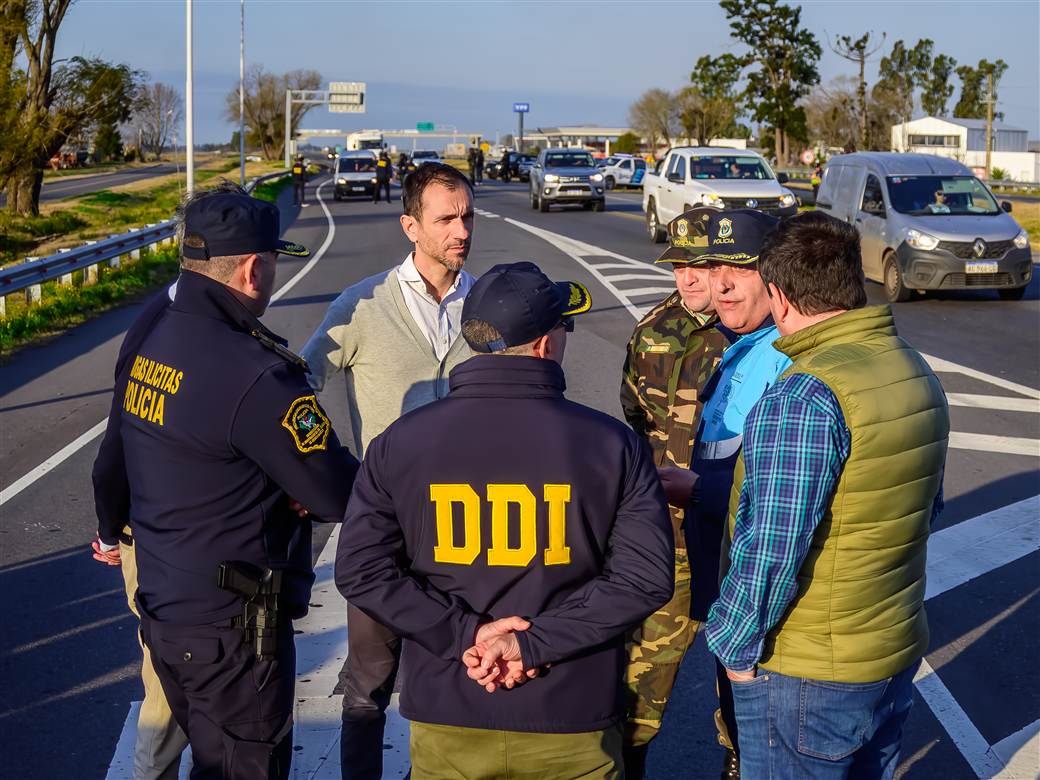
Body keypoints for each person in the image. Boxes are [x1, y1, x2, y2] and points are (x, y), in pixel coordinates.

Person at [335, 261, 675, 780]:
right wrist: (530, 643)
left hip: (450, 708)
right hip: (571, 712)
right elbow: (644, 579)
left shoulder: (399, 444)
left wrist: (466, 633)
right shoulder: (613, 445)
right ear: (544, 344)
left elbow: (361, 570)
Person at [92, 181, 360, 780]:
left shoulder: (152, 333)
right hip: (232, 631)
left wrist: (110, 527)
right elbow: (336, 492)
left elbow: (122, 448)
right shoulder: (258, 375)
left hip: (165, 609)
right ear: (250, 271)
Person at [706, 211, 949, 779]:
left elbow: (771, 546)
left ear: (781, 296)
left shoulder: (804, 394)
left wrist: (735, 649)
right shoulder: (909, 366)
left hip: (810, 670)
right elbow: (922, 508)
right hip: (891, 646)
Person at [300, 162, 476, 780]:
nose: (462, 230)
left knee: (459, 669)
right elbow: (298, 385)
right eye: (446, 219)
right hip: (382, 529)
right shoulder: (363, 305)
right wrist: (330, 476)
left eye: (466, 216)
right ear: (410, 226)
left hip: (468, 529)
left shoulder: (483, 306)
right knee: (368, 683)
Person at [661, 209, 792, 780]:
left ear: (777, 277)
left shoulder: (787, 358)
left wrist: (697, 488)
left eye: (740, 269)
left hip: (760, 592)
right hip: (722, 566)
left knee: (766, 730)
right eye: (715, 268)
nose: (721, 284)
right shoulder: (738, 344)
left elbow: (779, 497)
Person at [619, 207, 728, 779]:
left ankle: (740, 762)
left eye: (703, 264)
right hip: (670, 539)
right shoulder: (652, 331)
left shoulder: (753, 335)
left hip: (736, 532)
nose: (689, 277)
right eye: (680, 265)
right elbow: (633, 421)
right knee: (641, 681)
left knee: (742, 680)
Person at [92, 284, 189, 780]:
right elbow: (118, 437)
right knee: (166, 692)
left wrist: (112, 528)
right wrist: (113, 530)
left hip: (159, 534)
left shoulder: (159, 316)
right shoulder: (168, 326)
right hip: (165, 539)